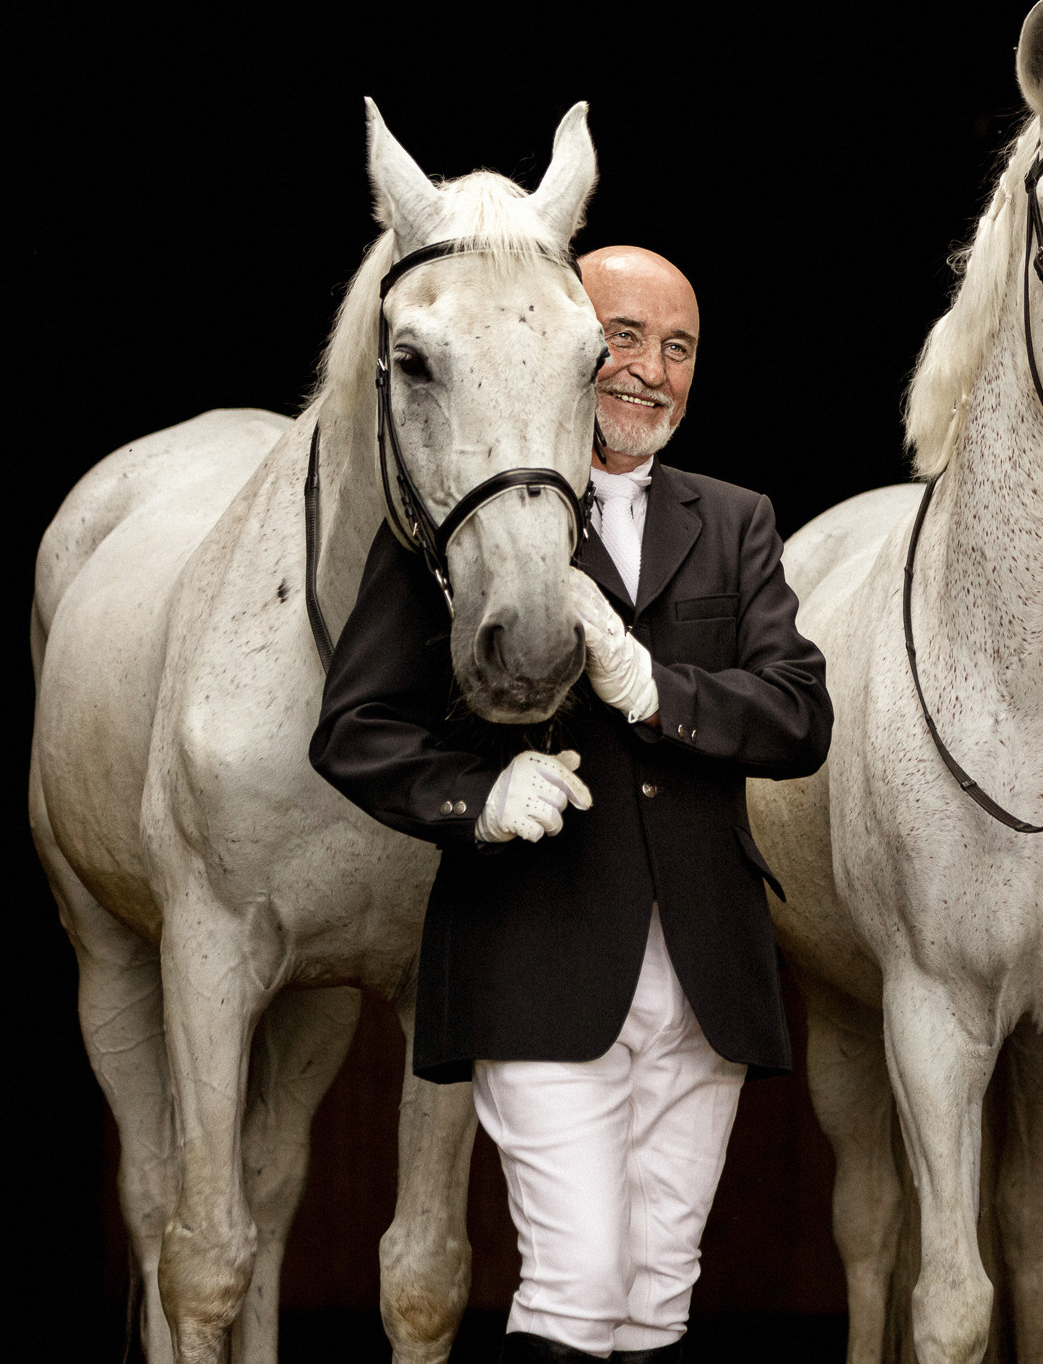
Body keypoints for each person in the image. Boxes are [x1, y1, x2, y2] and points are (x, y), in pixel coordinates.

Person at [310, 245, 831, 1363]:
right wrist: (479, 796)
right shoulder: (456, 515)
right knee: (577, 1281)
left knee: (657, 1296)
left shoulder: (735, 518)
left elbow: (800, 716)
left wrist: (655, 689)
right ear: (565, 346)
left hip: (706, 974)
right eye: (624, 338)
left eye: (679, 348)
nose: (650, 369)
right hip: (539, 954)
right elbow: (353, 729)